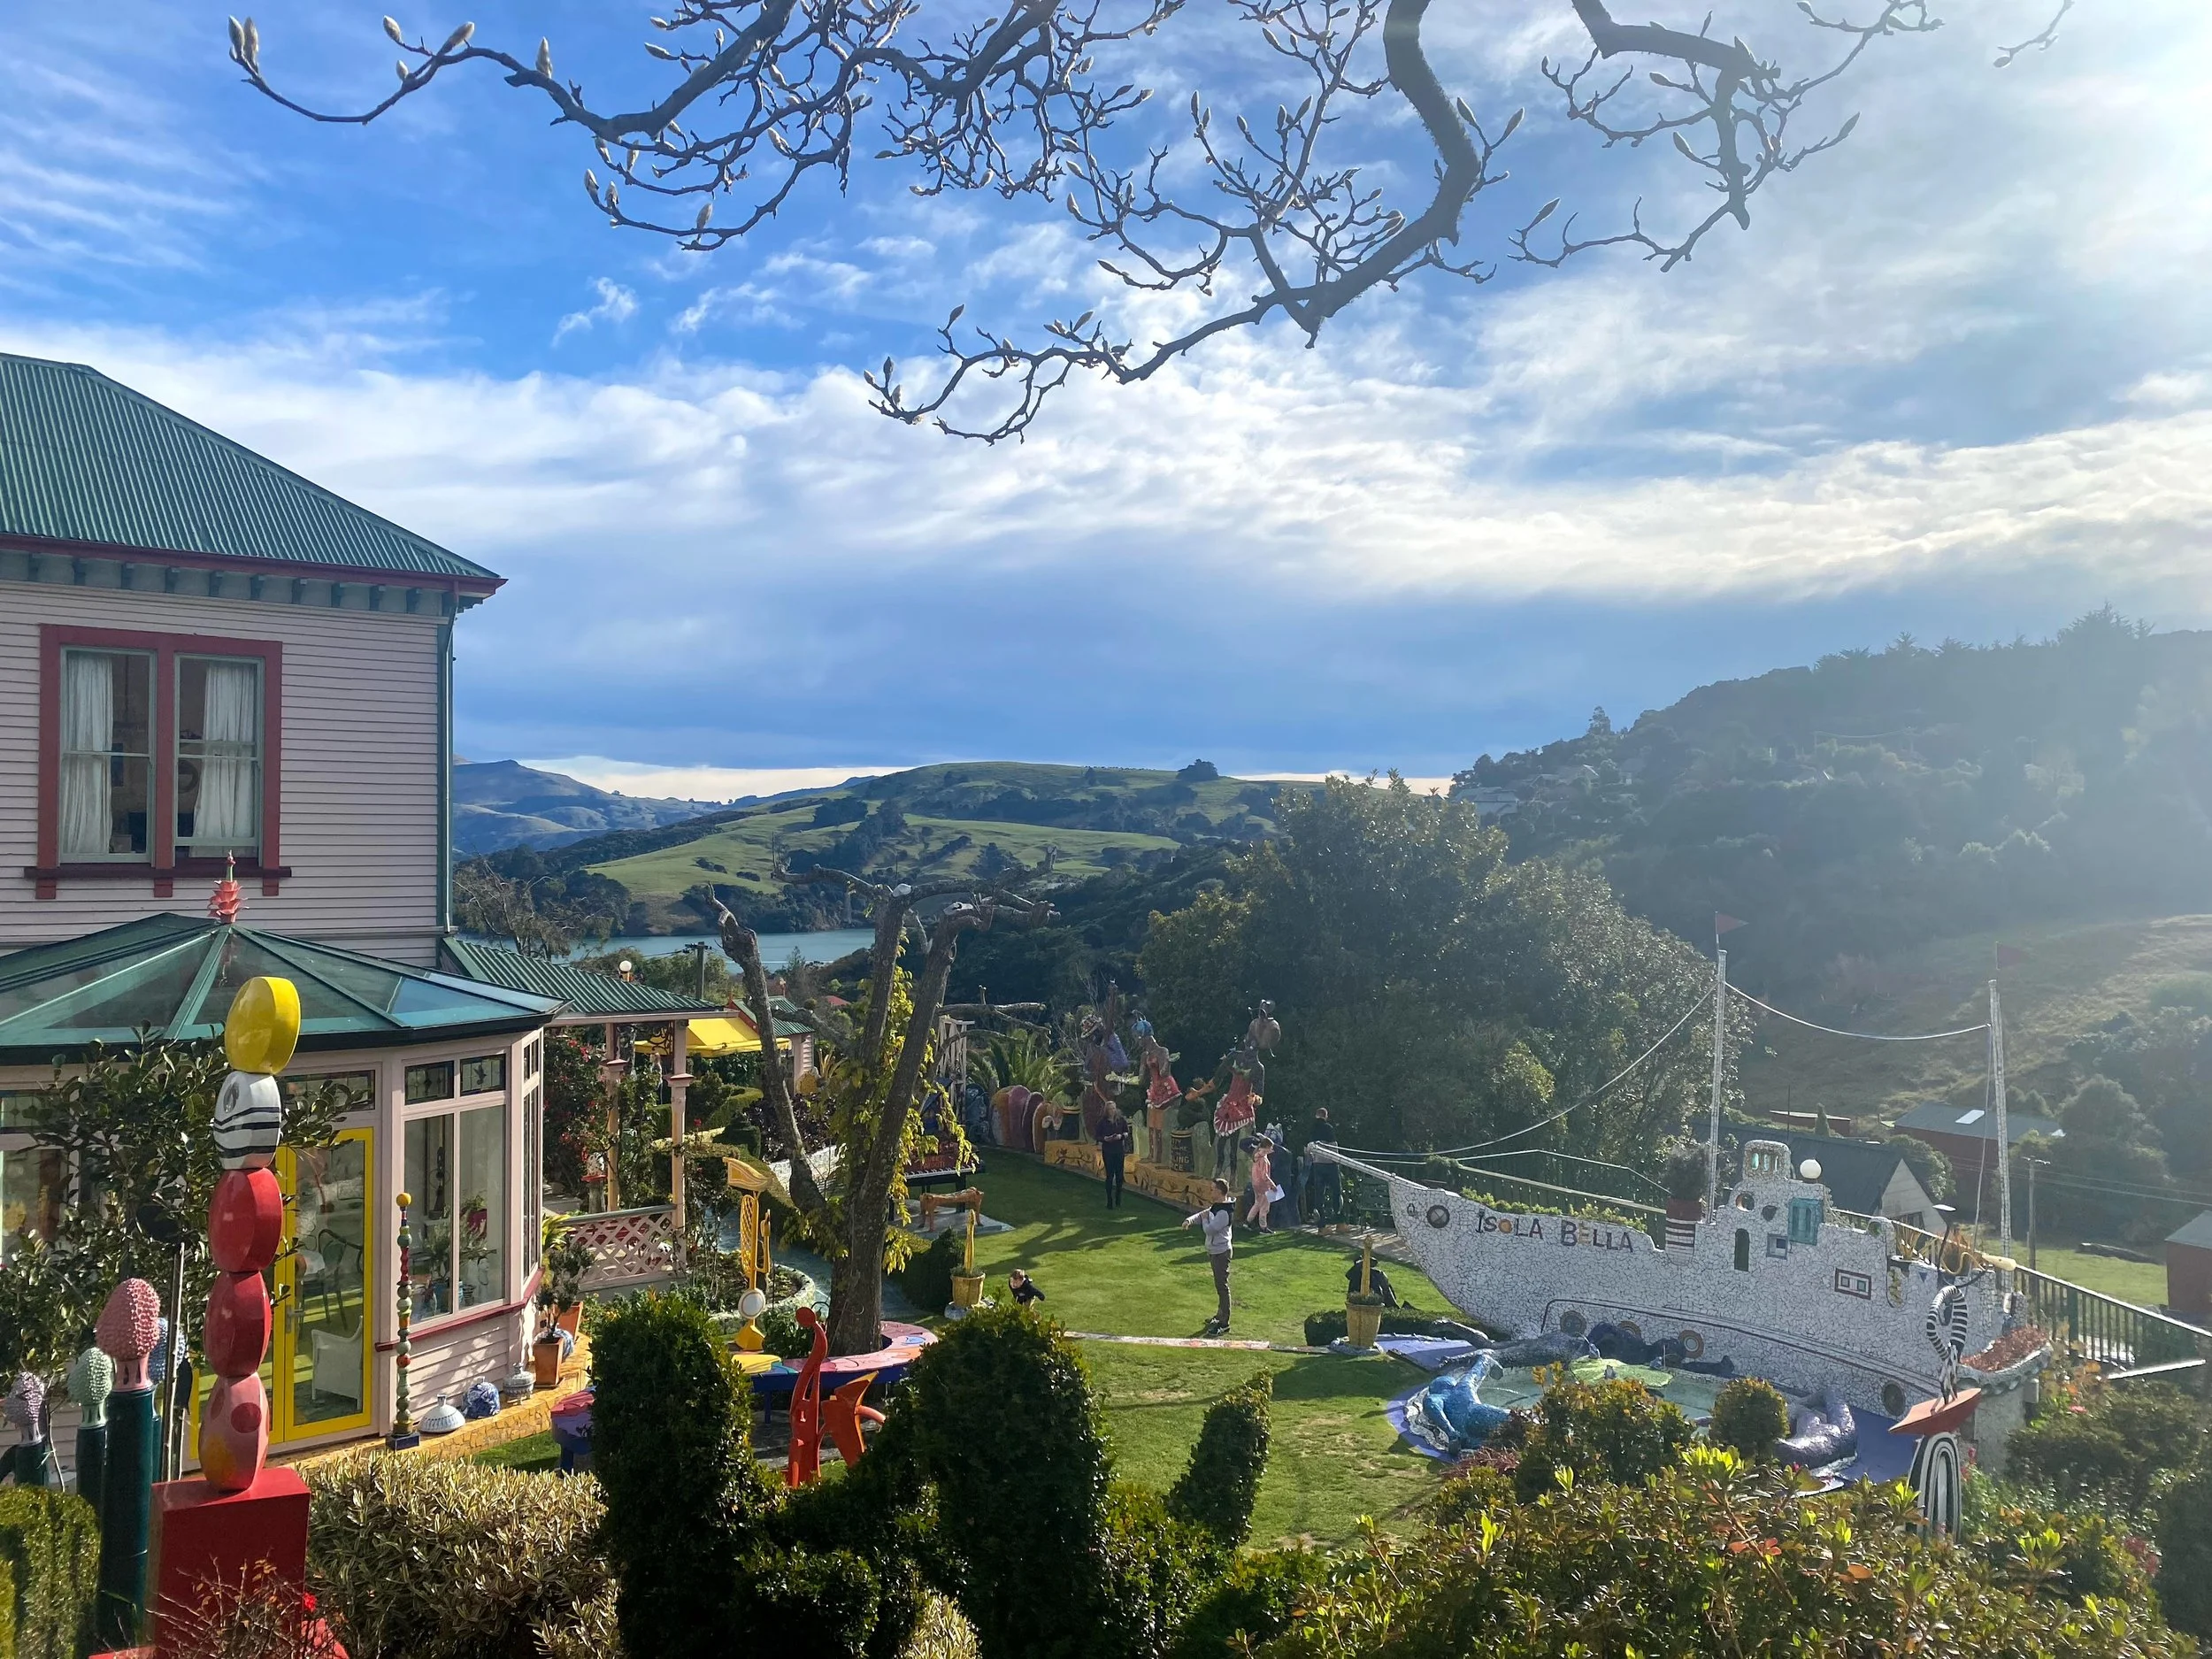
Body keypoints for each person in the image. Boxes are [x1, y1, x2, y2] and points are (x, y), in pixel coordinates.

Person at [1183, 1178, 1236, 1333]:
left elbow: (1210, 1229)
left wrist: (1205, 1220)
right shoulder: (1217, 1206)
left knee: (1222, 1287)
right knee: (1219, 1286)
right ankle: (1220, 1316)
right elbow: (1203, 1214)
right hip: (1214, 1251)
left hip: (1221, 1253)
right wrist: (1189, 1220)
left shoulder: (1224, 1212)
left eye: (1212, 1189)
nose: (1210, 1191)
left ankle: (1224, 1322)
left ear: (1219, 1192)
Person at [1307, 1107, 1340, 1222]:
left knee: (1319, 1192)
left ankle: (1320, 1220)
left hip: (1317, 1164)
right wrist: (1336, 1161)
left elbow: (1308, 1148)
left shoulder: (1311, 1129)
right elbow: (1333, 1145)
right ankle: (1338, 1216)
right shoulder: (1328, 1128)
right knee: (1336, 1190)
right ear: (1326, 1116)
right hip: (1329, 1164)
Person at [1098, 1107, 1133, 1210]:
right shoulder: (1102, 1122)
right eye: (1110, 1109)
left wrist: (1120, 1136)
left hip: (1119, 1150)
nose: (1112, 1111)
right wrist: (1105, 1139)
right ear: (1106, 1111)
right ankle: (1109, 1200)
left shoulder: (1121, 1120)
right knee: (1109, 1175)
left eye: (1113, 1109)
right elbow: (1098, 1135)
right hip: (1108, 1151)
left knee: (1119, 1175)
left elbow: (1126, 1132)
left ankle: (1118, 1197)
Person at [1245, 1136, 1274, 1233]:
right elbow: (1264, 1175)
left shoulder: (1257, 1155)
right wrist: (1272, 1185)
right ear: (1266, 1147)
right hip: (1263, 1185)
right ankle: (1263, 1227)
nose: (1272, 1149)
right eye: (1270, 1147)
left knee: (1257, 1203)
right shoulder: (1263, 1159)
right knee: (1265, 1206)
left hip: (1256, 1183)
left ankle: (1248, 1221)